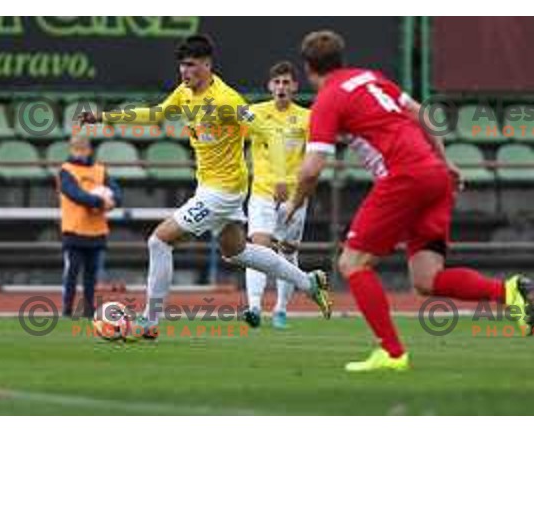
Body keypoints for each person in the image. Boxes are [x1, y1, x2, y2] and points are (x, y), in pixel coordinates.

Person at [286, 29, 534, 372]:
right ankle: (510, 292)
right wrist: (445, 162)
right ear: (341, 59)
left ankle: (391, 352)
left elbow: (311, 169)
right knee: (427, 279)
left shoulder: (328, 99)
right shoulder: (370, 77)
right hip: (434, 176)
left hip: (404, 177)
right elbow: (422, 114)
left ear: (308, 69)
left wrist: (294, 203)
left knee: (352, 263)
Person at [79, 34, 331, 337]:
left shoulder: (227, 101)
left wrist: (279, 177)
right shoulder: (185, 93)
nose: (185, 72)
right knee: (236, 252)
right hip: (213, 187)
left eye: (191, 65)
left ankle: (150, 320)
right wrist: (104, 117)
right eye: (182, 66)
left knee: (159, 241)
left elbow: (269, 132)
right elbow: (156, 113)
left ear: (207, 65)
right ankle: (308, 282)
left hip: (222, 192)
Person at [245, 61, 311, 329]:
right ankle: (253, 307)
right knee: (258, 248)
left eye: (286, 82)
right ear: (269, 86)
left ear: (295, 86)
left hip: (294, 198)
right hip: (262, 192)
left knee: (287, 251)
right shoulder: (255, 113)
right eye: (277, 82)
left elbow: (315, 155)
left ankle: (281, 309)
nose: (281, 87)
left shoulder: (307, 117)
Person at [59, 137, 122, 319]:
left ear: (89, 150)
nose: (80, 152)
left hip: (96, 230)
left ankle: (88, 309)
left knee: (91, 274)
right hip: (74, 229)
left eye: (83, 148)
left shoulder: (100, 170)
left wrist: (114, 201)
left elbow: (116, 192)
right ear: (71, 150)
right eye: (77, 149)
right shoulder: (66, 170)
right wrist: (100, 201)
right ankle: (67, 309)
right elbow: (74, 194)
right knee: (72, 271)